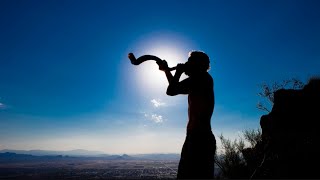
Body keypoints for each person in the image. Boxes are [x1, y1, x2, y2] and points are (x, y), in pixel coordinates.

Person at [158, 50, 216, 179]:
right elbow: (175, 88)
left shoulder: (202, 78)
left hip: (200, 139)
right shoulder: (199, 79)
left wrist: (177, 72)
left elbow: (171, 90)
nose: (185, 63)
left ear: (198, 65)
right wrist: (167, 71)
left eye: (189, 61)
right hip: (194, 137)